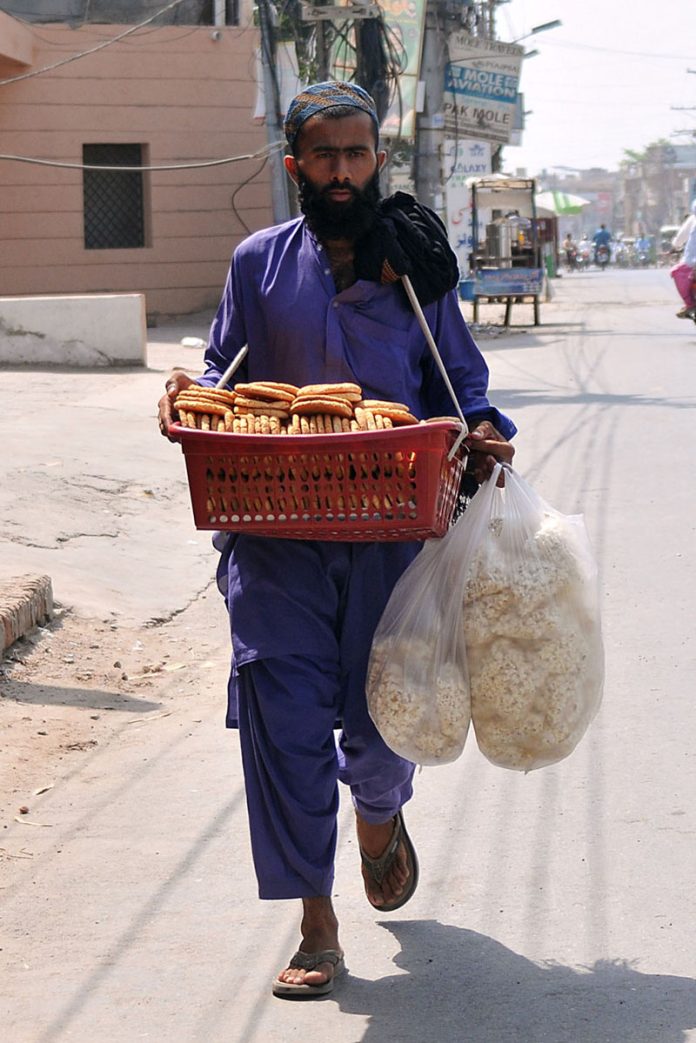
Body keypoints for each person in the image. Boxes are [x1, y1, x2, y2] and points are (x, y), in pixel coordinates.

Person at [157, 80, 515, 999]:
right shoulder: (256, 264)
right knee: (282, 725)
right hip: (273, 536)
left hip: (391, 538)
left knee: (381, 717)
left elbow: (459, 383)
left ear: (378, 159)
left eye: (357, 154)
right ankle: (317, 924)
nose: (343, 171)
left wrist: (480, 430)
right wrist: (183, 399)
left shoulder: (415, 267)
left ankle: (380, 816)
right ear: (295, 166)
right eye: (325, 156)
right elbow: (221, 371)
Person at [670, 200, 696, 317]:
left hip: (690, 262)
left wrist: (675, 246)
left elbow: (680, 239)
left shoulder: (692, 219)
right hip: (691, 262)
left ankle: (690, 304)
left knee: (677, 272)